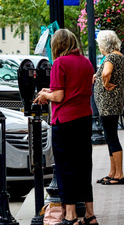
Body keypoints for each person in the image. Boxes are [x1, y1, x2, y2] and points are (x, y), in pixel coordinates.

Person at [33, 29, 98, 225]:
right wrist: (50, 91)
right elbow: (74, 90)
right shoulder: (86, 63)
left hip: (65, 121)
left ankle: (71, 216)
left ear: (57, 45)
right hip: (84, 119)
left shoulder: (60, 63)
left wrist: (45, 95)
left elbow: (59, 97)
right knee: (84, 166)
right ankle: (89, 214)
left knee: (65, 167)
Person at [94, 30, 124, 186]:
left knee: (112, 137)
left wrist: (105, 83)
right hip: (113, 102)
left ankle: (119, 174)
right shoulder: (119, 56)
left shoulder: (111, 57)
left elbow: (107, 72)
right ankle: (112, 172)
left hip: (109, 103)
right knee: (109, 136)